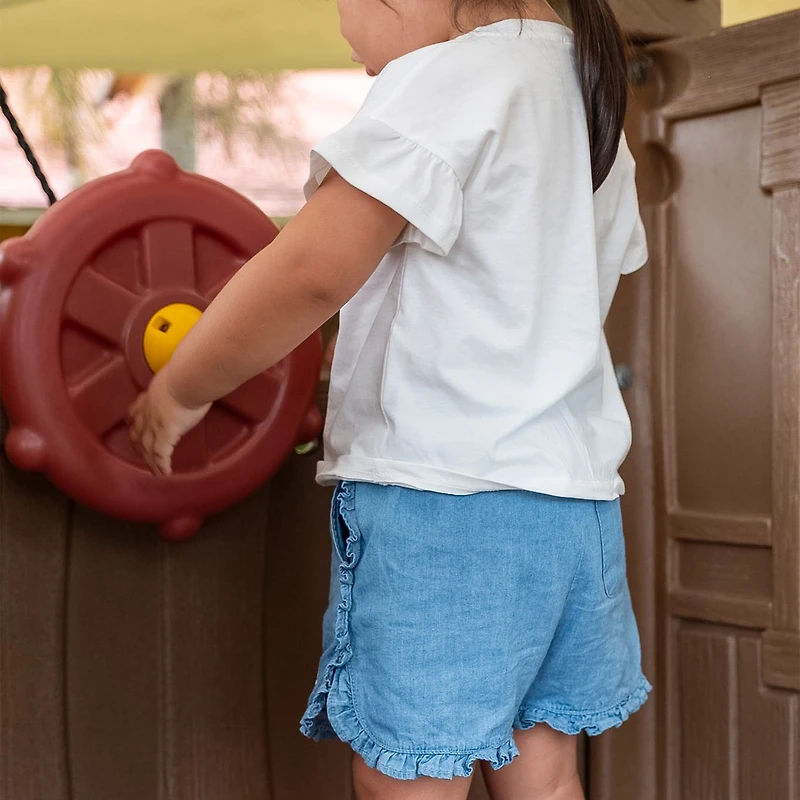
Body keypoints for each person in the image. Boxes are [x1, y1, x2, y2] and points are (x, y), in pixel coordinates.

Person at [129, 1, 651, 797]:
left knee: (404, 778)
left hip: (448, 502)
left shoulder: (452, 77)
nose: (351, 43)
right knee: (544, 775)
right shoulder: (587, 92)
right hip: (573, 508)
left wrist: (183, 384)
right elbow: (536, 298)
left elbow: (311, 272)